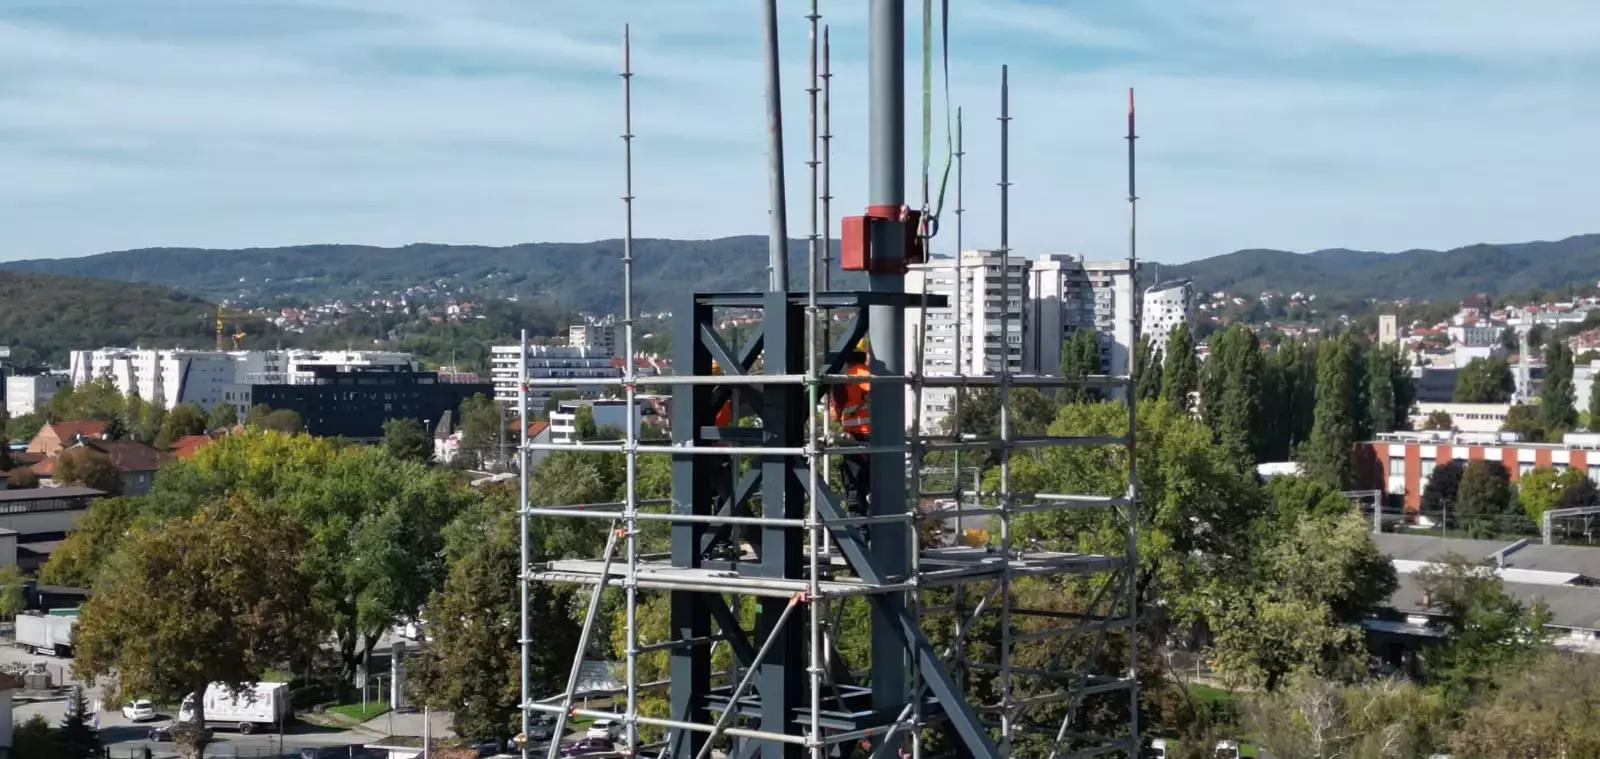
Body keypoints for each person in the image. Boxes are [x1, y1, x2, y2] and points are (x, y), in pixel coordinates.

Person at [830, 343, 873, 524]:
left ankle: (861, 537)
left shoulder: (844, 381)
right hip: (882, 438)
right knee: (882, 490)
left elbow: (835, 416)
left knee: (855, 491)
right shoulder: (876, 377)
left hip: (855, 440)